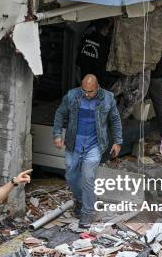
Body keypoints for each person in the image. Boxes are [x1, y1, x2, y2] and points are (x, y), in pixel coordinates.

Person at [53, 74, 123, 228]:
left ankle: (88, 211)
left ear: (97, 87)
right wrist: (57, 134)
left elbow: (115, 119)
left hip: (94, 145)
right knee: (71, 175)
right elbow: (60, 113)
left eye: (90, 91)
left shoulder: (108, 98)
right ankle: (79, 200)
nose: (86, 94)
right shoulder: (72, 96)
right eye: (84, 90)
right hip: (74, 144)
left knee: (88, 177)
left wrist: (118, 141)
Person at [76, 19, 113, 86]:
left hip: (84, 77)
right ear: (104, 29)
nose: (108, 31)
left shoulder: (86, 37)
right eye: (108, 29)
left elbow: (78, 62)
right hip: (97, 80)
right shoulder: (106, 43)